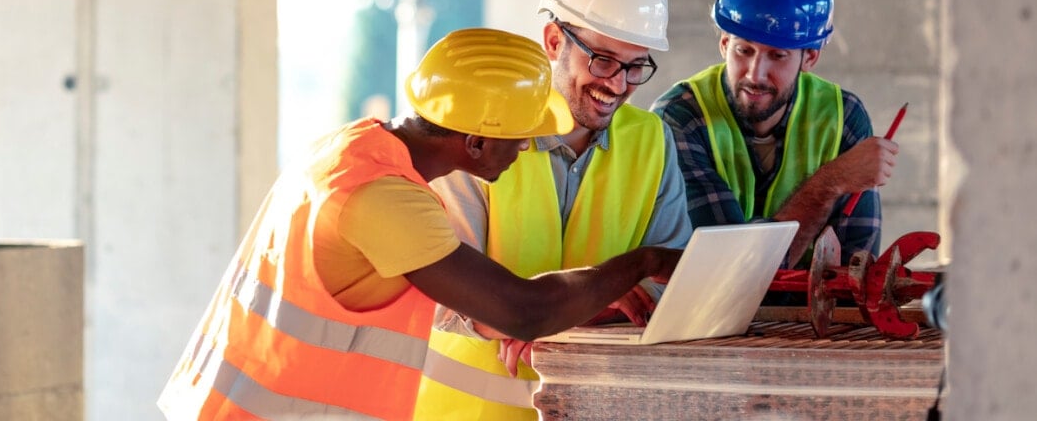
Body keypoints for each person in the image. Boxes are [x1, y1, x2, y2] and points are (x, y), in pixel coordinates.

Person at [157, 28, 682, 421]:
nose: (527, 148)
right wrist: (645, 261)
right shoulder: (385, 199)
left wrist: (586, 304)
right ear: (475, 141)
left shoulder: (353, 148)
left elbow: (493, 312)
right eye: (522, 135)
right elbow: (523, 310)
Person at [414, 0, 694, 421]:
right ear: (552, 41)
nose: (619, 84)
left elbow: (668, 289)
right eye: (603, 59)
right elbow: (446, 297)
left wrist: (566, 310)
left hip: (594, 408)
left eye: (635, 66)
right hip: (471, 410)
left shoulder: (653, 142)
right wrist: (596, 294)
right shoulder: (479, 131)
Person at [651, 0, 897, 272]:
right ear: (724, 44)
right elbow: (730, 273)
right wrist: (828, 185)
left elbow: (854, 276)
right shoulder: (678, 119)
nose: (755, 73)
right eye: (744, 50)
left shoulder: (843, 118)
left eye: (777, 55)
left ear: (809, 58)